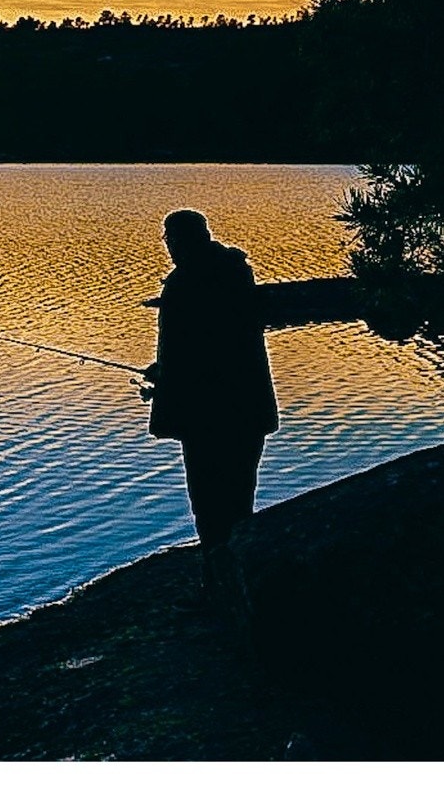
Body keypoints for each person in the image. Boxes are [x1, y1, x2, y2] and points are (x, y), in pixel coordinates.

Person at [141, 209, 278, 597]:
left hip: (207, 416)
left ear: (182, 241)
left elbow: (194, 355)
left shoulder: (185, 284)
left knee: (209, 501)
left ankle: (218, 587)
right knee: (238, 497)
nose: (168, 247)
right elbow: (222, 344)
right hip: (247, 410)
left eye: (169, 239)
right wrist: (165, 369)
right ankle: (236, 581)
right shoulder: (237, 273)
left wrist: (165, 374)